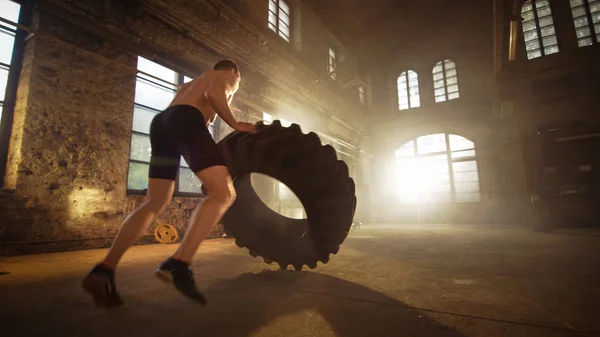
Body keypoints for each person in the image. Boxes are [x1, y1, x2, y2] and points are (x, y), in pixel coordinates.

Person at [81, 59, 257, 307]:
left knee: (155, 200)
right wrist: (236, 124)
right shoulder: (223, 77)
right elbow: (214, 94)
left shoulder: (190, 84)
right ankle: (180, 263)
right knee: (223, 194)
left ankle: (104, 269)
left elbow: (193, 110)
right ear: (233, 72)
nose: (236, 86)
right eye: (238, 80)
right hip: (185, 121)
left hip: (162, 124)